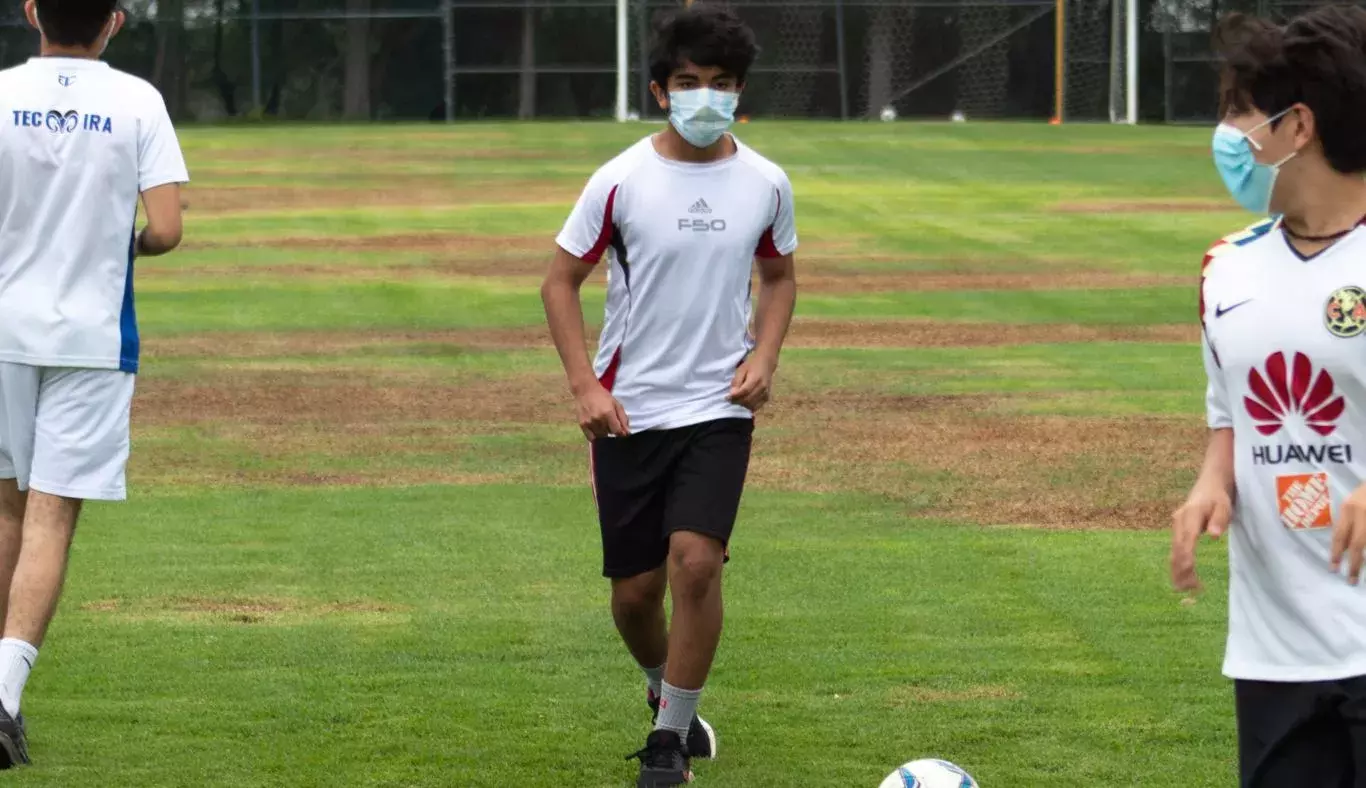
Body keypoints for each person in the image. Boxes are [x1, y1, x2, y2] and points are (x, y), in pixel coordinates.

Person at [540, 5, 797, 786]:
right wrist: (585, 385)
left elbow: (780, 277)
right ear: (660, 90)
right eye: (688, 82)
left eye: (720, 84)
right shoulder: (618, 181)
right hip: (629, 411)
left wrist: (767, 354)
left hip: (719, 408)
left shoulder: (764, 182)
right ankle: (664, 690)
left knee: (695, 564)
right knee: (634, 596)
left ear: (739, 92)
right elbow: (560, 282)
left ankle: (669, 744)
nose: (704, 97)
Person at [1173, 5, 1366, 785]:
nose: (1228, 138)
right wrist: (1211, 482)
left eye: (1238, 114)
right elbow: (1232, 415)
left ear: (1298, 126)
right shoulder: (1227, 269)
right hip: (1274, 645)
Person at [0, 0, 188, 767]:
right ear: (114, 20)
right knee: (51, 517)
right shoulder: (138, 100)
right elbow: (168, 229)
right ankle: (4, 698)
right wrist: (126, 245)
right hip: (92, 337)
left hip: (3, 330)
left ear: (31, 12)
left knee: (7, 511)